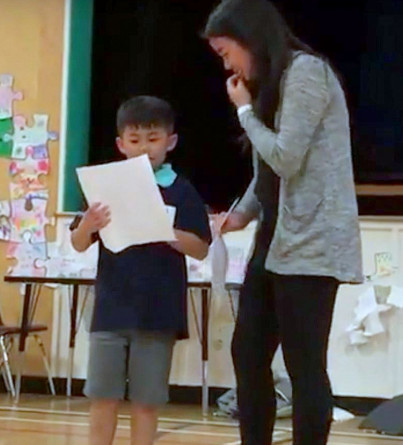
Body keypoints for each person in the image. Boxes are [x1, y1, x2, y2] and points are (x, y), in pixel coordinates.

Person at [204, 1, 363, 444]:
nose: (227, 65)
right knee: (248, 354)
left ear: (251, 38)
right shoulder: (271, 85)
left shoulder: (307, 73)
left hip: (312, 246)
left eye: (226, 52)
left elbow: (287, 158)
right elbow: (266, 173)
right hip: (272, 244)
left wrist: (245, 113)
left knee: (304, 363)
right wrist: (241, 214)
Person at [70, 96, 212, 445]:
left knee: (146, 402)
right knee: (103, 397)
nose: (144, 148)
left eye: (153, 139)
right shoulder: (106, 186)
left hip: (158, 314)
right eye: (134, 140)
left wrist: (168, 232)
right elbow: (78, 242)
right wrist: (88, 224)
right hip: (110, 309)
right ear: (121, 144)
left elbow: (202, 247)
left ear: (170, 142)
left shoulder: (181, 189)